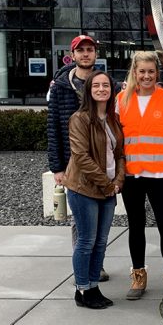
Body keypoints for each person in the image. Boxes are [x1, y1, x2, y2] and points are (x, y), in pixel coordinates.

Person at [116, 50, 163, 308]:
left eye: (151, 71)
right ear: (134, 73)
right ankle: (138, 275)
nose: (146, 76)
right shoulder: (121, 99)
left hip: (160, 174)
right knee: (135, 226)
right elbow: (115, 140)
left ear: (156, 74)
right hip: (132, 175)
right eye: (142, 72)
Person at [47, 34, 116, 282]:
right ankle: (84, 269)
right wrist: (57, 166)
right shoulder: (61, 86)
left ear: (96, 54)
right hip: (73, 164)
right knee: (82, 222)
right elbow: (53, 126)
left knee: (99, 225)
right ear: (73, 54)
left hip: (101, 161)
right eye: (81, 50)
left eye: (90, 50)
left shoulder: (105, 84)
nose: (86, 54)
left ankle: (96, 265)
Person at [65, 70, 124, 309]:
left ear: (112, 90)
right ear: (89, 90)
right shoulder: (80, 119)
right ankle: (82, 289)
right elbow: (81, 157)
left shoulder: (113, 119)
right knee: (86, 240)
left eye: (106, 85)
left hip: (108, 189)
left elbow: (120, 154)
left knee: (101, 242)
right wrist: (108, 184)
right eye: (96, 85)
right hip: (84, 189)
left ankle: (93, 285)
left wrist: (119, 181)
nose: (101, 89)